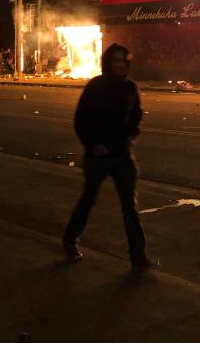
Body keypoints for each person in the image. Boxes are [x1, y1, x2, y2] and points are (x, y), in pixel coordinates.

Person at [63, 44, 150, 272]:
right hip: (98, 159)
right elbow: (81, 119)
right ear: (108, 63)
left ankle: (138, 256)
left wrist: (132, 134)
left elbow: (136, 114)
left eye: (124, 61)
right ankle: (70, 240)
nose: (120, 65)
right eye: (116, 61)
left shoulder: (130, 88)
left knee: (129, 207)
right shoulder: (96, 86)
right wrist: (93, 145)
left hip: (122, 156)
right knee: (88, 199)